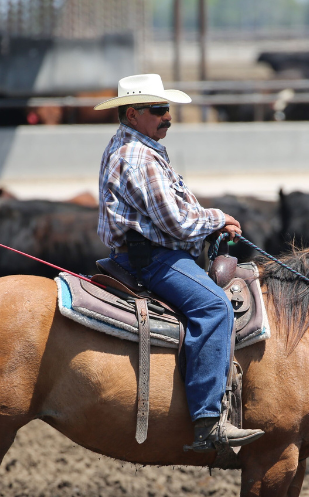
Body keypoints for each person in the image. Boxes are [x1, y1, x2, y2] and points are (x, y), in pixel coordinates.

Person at [94, 74, 264, 451]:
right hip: (152, 259)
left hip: (150, 253)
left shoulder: (140, 146)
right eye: (158, 109)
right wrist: (216, 218)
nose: (167, 115)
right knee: (215, 306)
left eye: (167, 107)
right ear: (133, 114)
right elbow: (176, 221)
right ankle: (208, 421)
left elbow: (179, 211)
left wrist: (209, 221)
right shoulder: (139, 156)